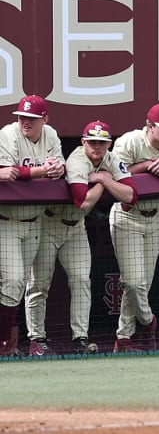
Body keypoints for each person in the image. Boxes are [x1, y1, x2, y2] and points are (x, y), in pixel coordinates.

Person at [26, 120, 136, 356]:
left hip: (76, 228)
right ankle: (37, 339)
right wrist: (106, 182)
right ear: (83, 142)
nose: (97, 146)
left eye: (102, 142)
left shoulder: (111, 159)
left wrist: (105, 180)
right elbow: (82, 202)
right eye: (92, 142)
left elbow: (130, 196)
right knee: (39, 284)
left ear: (109, 144)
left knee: (81, 281)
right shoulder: (77, 160)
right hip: (49, 224)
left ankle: (81, 338)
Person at [110, 103, 159, 353]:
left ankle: (124, 339)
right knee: (133, 282)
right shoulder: (130, 142)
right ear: (149, 126)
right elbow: (114, 176)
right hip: (128, 215)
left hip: (155, 217)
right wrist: (145, 166)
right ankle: (148, 322)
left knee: (144, 282)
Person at [0, 95, 65, 357]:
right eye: (22, 117)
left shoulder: (51, 135)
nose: (25, 122)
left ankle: (9, 341)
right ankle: (5, 343)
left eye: (32, 118)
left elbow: (57, 169)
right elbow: (10, 174)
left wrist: (56, 170)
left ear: (44, 119)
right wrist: (41, 172)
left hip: (36, 221)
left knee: (20, 283)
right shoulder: (8, 134)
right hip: (7, 220)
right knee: (13, 280)